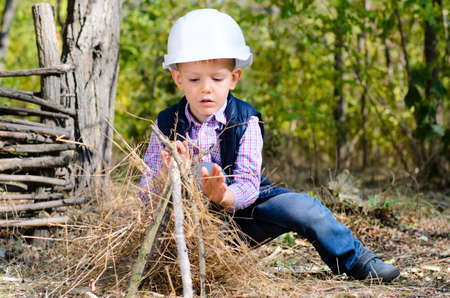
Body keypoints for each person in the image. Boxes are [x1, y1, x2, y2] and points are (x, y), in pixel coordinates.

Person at [140, 8, 400, 282]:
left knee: (304, 207)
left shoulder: (245, 120)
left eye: (217, 78)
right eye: (194, 79)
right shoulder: (167, 123)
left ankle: (357, 260)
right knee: (201, 168)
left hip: (244, 214)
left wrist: (223, 196)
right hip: (190, 229)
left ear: (234, 77)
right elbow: (146, 193)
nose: (206, 88)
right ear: (178, 78)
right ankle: (192, 266)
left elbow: (249, 185)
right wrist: (165, 176)